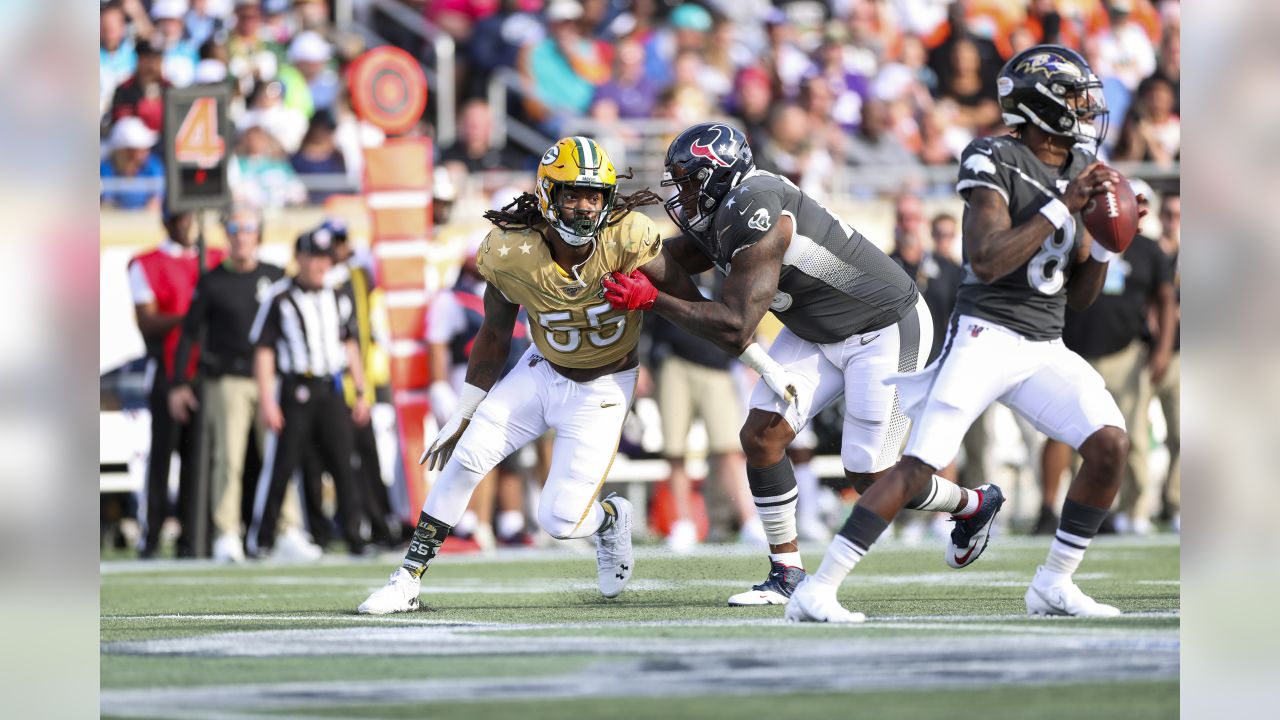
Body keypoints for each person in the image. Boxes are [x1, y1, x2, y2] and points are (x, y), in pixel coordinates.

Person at [786, 45, 1132, 622]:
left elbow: (1081, 299)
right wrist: (1059, 208)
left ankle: (1053, 584)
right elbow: (988, 258)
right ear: (1042, 105)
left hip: (1044, 345)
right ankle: (817, 589)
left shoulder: (1081, 173)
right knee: (920, 465)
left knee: (1109, 445)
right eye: (1075, 98)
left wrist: (1101, 244)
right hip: (986, 335)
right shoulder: (994, 156)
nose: (1086, 109)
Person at [602, 122, 985, 607]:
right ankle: (787, 573)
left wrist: (651, 299)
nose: (683, 194)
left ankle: (972, 504)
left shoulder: (756, 213)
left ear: (721, 177)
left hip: (886, 327)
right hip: (817, 329)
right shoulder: (728, 208)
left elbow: (735, 327)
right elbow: (674, 259)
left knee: (869, 475)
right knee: (761, 437)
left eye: (692, 181)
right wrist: (615, 248)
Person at [358, 137, 666, 614]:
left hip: (603, 387)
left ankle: (609, 519)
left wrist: (662, 300)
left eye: (593, 195)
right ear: (547, 195)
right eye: (571, 194)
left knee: (560, 522)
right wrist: (464, 410)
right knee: (466, 457)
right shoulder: (511, 249)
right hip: (542, 370)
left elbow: (685, 291)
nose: (584, 207)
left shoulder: (628, 237)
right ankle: (406, 580)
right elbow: (495, 334)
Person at [167, 206, 316, 562]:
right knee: (229, 460)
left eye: (248, 228)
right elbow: (188, 335)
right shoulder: (213, 280)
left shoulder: (275, 276)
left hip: (273, 380)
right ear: (228, 235)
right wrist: (179, 383)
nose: (241, 235)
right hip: (228, 379)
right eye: (234, 228)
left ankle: (287, 528)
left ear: (258, 235)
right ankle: (227, 532)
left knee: (280, 456)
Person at [1040, 183, 1175, 535]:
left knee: (1131, 438)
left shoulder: (1148, 250)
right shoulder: (1081, 241)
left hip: (1126, 353)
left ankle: (1135, 510)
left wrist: (1161, 349)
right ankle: (1078, 513)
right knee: (1076, 438)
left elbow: (1165, 300)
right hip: (1076, 352)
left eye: (1142, 202)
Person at [246, 227, 371, 557]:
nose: (319, 266)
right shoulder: (280, 297)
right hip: (295, 388)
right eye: (313, 258)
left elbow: (350, 344)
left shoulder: (338, 295)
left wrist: (359, 391)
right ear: (298, 259)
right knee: (283, 465)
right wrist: (268, 400)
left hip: (330, 387)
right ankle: (261, 539)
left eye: (324, 258)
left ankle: (355, 536)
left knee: (344, 463)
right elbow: (264, 350)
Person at [129, 208, 225, 558]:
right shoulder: (146, 263)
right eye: (181, 219)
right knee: (162, 456)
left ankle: (194, 537)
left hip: (206, 370)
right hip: (168, 369)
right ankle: (151, 536)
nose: (188, 225)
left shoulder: (216, 258)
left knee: (200, 456)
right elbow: (148, 321)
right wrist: (193, 315)